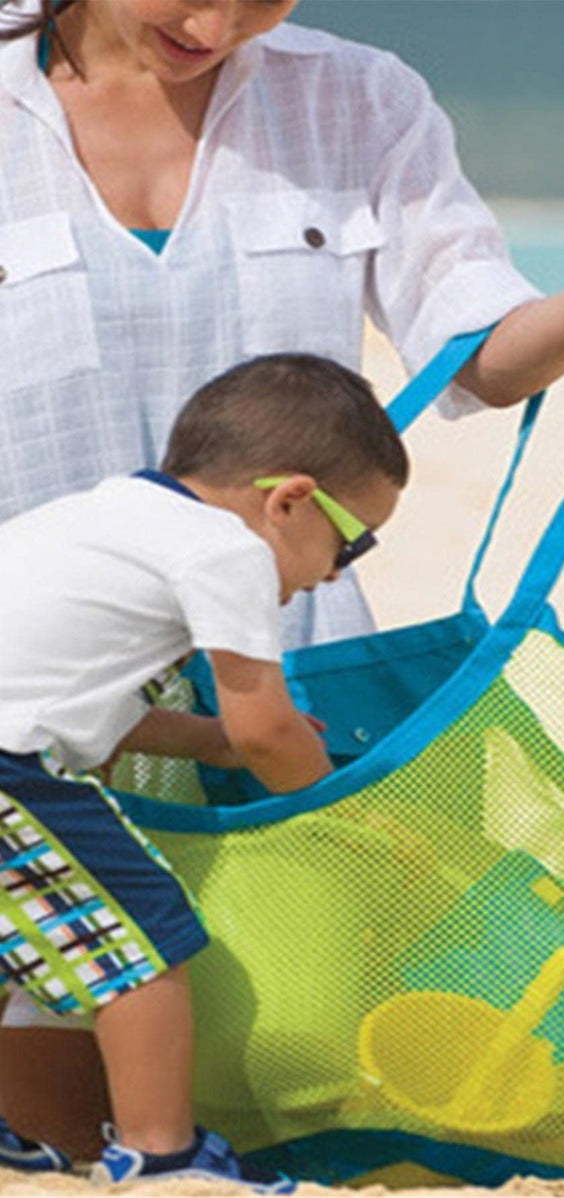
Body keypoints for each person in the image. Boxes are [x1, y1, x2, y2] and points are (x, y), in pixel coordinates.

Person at [0, 0, 564, 1169]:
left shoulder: (359, 98)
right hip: (55, 709)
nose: (219, 23)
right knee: (74, 1101)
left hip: (285, 685)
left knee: (307, 1086)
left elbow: (487, 355)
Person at [0, 351, 408, 1188]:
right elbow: (268, 730)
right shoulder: (227, 550)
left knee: (16, 944)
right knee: (142, 933)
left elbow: (94, 711)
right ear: (289, 501)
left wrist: (211, 739)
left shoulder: (112, 514)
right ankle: (162, 1154)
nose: (335, 572)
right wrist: (334, 810)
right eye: (352, 542)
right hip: (9, 766)